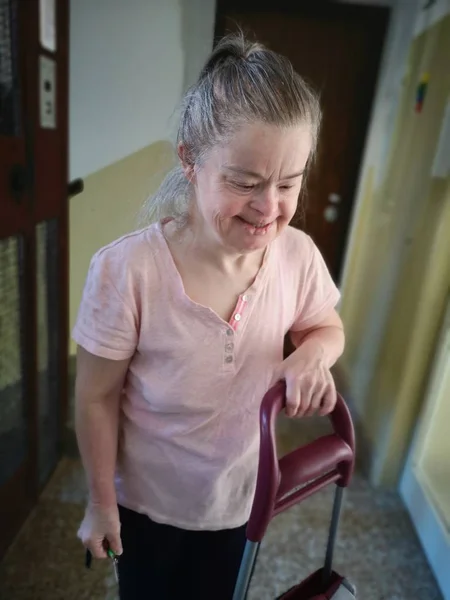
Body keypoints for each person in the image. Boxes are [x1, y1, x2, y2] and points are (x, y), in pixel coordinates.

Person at [74, 32, 345, 600]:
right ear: (190, 162)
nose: (269, 207)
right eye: (244, 183)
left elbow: (326, 325)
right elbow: (96, 397)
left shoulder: (296, 256)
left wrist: (314, 357)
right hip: (145, 505)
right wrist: (101, 504)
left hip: (241, 501)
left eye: (288, 184)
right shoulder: (128, 271)